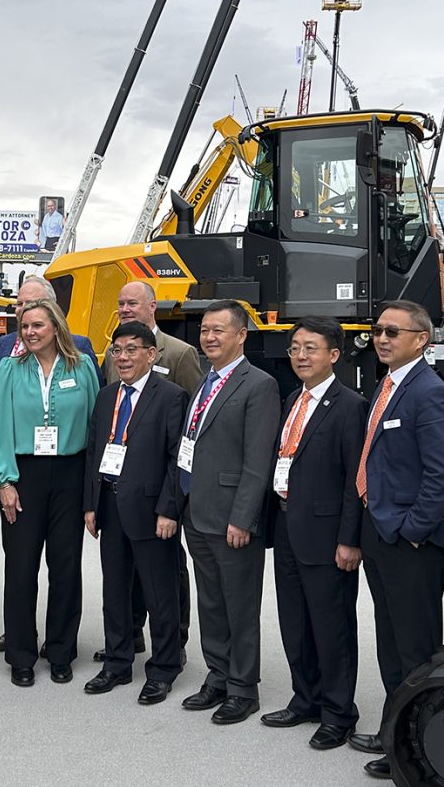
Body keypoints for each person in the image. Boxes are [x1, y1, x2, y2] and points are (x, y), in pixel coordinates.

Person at [347, 300, 444, 781]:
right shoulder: (388, 384)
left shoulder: (429, 392)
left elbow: (441, 476)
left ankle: (418, 750)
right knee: (391, 644)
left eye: (393, 331)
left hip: (409, 542)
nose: (382, 338)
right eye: (378, 330)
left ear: (421, 339)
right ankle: (395, 732)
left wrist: (412, 532)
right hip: (381, 534)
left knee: (415, 649)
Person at [261, 317, 366, 749]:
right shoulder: (293, 398)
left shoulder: (350, 405)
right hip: (287, 523)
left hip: (327, 534)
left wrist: (349, 538)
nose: (300, 356)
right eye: (295, 348)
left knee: (331, 625)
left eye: (311, 348)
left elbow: (354, 479)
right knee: (295, 621)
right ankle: (305, 698)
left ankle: (338, 713)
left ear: (334, 355)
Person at [0, 274, 103, 655]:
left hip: (70, 474)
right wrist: (4, 482)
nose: (30, 332)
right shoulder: (9, 369)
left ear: (56, 326)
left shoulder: (82, 367)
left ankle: (60, 649)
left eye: (38, 325)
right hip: (24, 475)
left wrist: (92, 490)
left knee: (65, 566)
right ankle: (21, 651)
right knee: (21, 567)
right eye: (25, 326)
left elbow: (95, 428)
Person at [177, 299, 279, 725]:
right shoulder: (206, 381)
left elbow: (258, 461)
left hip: (232, 518)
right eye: (204, 330)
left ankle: (243, 688)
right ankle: (217, 675)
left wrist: (243, 517)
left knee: (240, 606)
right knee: (212, 602)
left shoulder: (259, 385)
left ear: (241, 335)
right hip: (198, 511)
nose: (209, 337)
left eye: (218, 330)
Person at [95, 280, 201, 664]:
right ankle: (125, 644)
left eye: (132, 303)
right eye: (120, 303)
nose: (124, 309)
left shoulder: (180, 354)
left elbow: (188, 433)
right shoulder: (113, 363)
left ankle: (172, 648)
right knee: (120, 580)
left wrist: (173, 503)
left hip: (157, 494)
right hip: (117, 489)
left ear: (153, 306)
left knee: (164, 577)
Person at [83, 321, 188, 704]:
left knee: (159, 593)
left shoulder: (171, 396)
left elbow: (178, 459)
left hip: (152, 510)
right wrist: (90, 504)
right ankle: (117, 662)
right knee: (115, 590)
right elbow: (94, 450)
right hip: (110, 506)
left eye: (132, 350)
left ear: (150, 353)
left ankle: (164, 668)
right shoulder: (106, 396)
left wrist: (169, 509)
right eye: (117, 350)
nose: (123, 358)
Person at [0, 276, 101, 381]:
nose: (23, 309)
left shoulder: (79, 346)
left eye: (31, 303)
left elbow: (95, 391)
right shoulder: (3, 344)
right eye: (19, 304)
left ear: (52, 308)